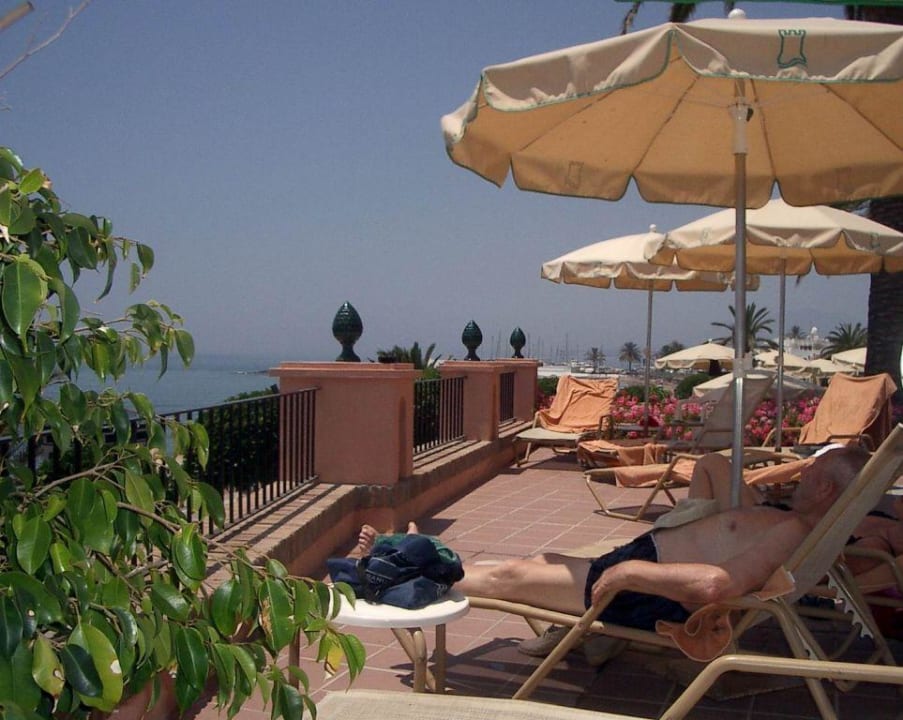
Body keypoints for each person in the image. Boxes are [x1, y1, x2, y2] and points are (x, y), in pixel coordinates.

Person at [357, 446, 870, 657]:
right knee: (531, 565)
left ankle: (387, 568)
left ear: (826, 491)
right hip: (645, 562)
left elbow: (719, 586)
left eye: (810, 474)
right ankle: (412, 550)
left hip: (647, 591)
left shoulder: (794, 530)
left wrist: (629, 572)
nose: (801, 475)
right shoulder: (794, 521)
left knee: (510, 577)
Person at [687, 449, 903, 576]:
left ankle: (687, 544)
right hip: (782, 517)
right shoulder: (870, 520)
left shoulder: (871, 547)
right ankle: (688, 535)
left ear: (824, 489)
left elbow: (825, 573)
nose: (802, 471)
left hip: (767, 537)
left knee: (710, 464)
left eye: (812, 468)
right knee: (712, 463)